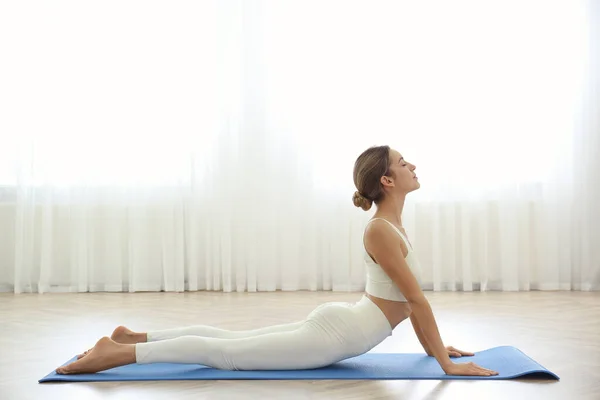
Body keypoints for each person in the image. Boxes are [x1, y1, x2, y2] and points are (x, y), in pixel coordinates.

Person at [56, 145, 498, 377]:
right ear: (387, 179)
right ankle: (116, 354)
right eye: (404, 162)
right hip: (335, 338)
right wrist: (445, 363)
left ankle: (131, 336)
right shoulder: (381, 229)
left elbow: (406, 307)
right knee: (227, 356)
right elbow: (415, 303)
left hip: (344, 325)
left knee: (232, 342)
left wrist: (439, 347)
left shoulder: (391, 226)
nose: (413, 165)